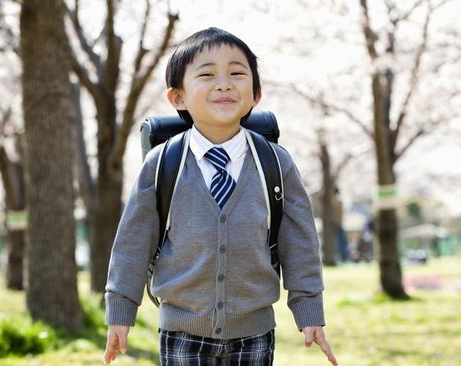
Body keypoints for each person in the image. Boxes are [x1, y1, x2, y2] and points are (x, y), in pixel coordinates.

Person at [103, 27, 337, 365]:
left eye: (237, 74)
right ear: (177, 97)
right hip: (181, 330)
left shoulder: (274, 162)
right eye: (207, 74)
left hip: (255, 331)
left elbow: (299, 242)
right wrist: (121, 311)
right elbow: (133, 242)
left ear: (256, 94)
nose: (224, 83)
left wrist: (309, 309)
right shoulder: (161, 165)